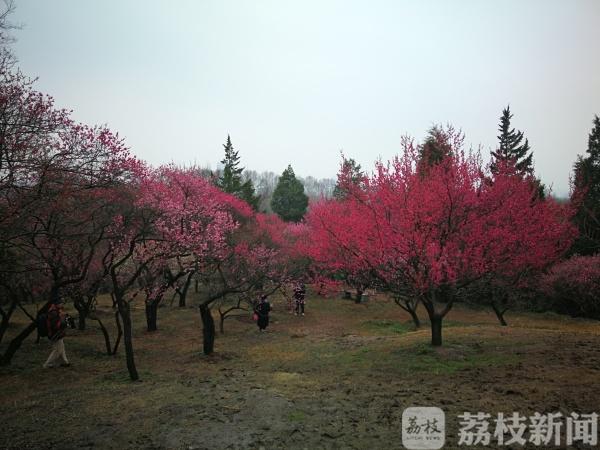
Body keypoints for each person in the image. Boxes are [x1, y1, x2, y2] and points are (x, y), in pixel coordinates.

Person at [43, 300, 70, 368]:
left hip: (58, 333)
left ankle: (64, 362)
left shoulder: (56, 311)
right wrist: (63, 319)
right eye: (61, 303)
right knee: (57, 350)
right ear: (56, 304)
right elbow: (55, 326)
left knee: (61, 347)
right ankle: (48, 364)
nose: (62, 304)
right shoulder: (53, 313)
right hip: (55, 334)